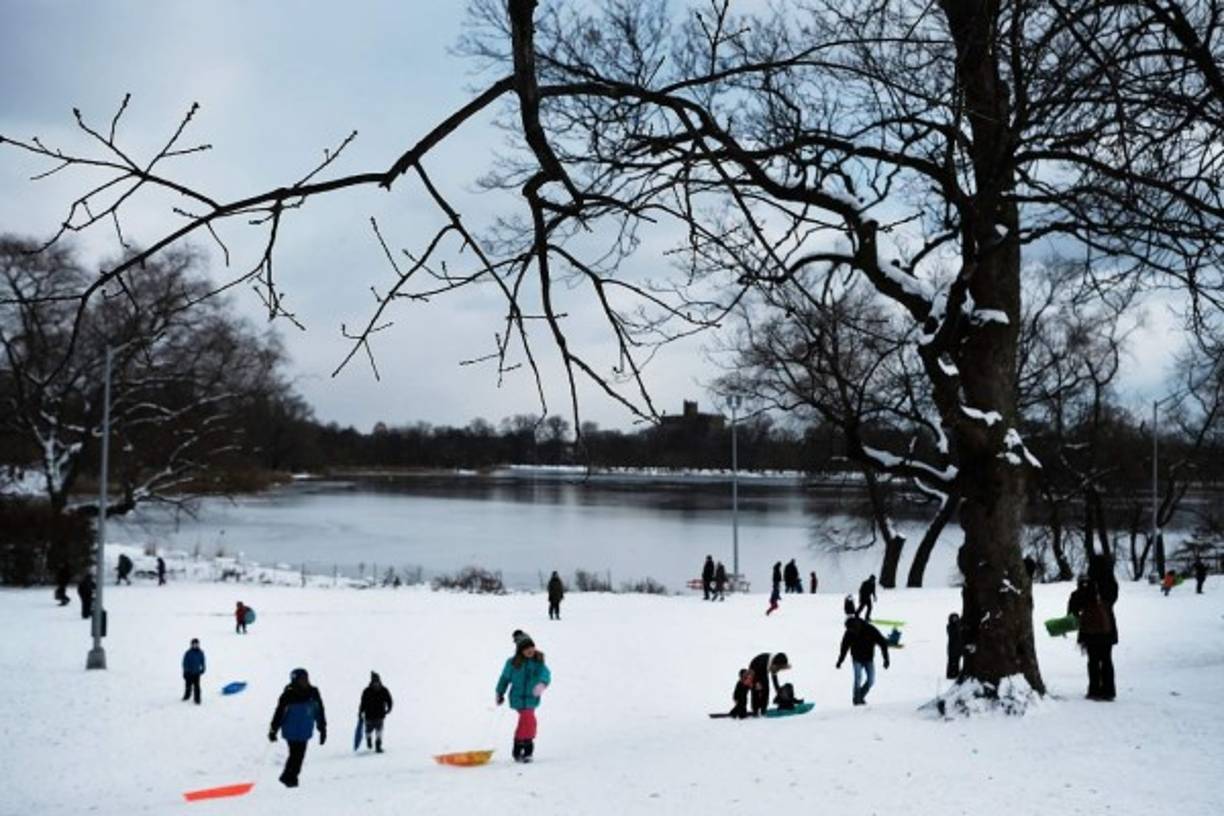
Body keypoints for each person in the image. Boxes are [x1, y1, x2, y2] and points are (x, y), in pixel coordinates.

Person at [496, 632, 551, 763]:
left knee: (529, 721)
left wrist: (542, 684)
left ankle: (520, 745)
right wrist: (500, 693)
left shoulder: (538, 662)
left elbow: (546, 674)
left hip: (532, 698)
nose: (530, 650)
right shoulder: (512, 663)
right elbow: (504, 679)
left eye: (531, 647)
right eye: (526, 648)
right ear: (520, 651)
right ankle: (526, 748)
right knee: (528, 718)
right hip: (518, 698)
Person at [269, 668, 327, 787]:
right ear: (295, 680)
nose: (305, 681)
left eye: (306, 678)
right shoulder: (288, 695)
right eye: (302, 679)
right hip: (291, 731)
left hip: (305, 730)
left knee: (298, 756)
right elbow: (279, 713)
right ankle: (290, 779)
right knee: (296, 755)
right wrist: (273, 730)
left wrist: (322, 728)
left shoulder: (313, 692)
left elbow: (319, 711)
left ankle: (288, 777)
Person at [1071, 556, 1119, 700]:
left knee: (1093, 660)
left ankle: (1094, 690)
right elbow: (1112, 600)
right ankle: (1108, 690)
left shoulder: (1089, 584)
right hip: (1107, 626)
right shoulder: (1111, 583)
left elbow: (1077, 602)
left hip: (1090, 628)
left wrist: (1081, 586)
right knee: (1107, 659)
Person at [836, 616, 890, 705]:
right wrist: (840, 661)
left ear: (857, 626)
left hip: (868, 659)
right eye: (849, 630)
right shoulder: (849, 632)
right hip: (856, 659)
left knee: (871, 681)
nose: (851, 632)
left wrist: (886, 659)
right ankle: (857, 700)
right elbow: (844, 647)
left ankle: (859, 696)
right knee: (858, 679)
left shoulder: (870, 629)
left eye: (852, 630)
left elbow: (882, 643)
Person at [359, 671, 393, 752]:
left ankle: (378, 746)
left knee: (379, 731)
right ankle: (369, 740)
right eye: (374, 682)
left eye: (377, 681)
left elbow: (389, 700)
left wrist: (389, 708)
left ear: (379, 681)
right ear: (372, 681)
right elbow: (362, 703)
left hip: (380, 715)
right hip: (369, 716)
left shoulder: (384, 690)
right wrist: (360, 712)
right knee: (368, 731)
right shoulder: (366, 691)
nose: (376, 684)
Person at [182, 638, 205, 704]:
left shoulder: (200, 652)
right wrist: (185, 671)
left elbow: (202, 661)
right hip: (189, 673)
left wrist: (203, 668)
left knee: (197, 686)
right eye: (194, 644)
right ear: (191, 645)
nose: (195, 645)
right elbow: (185, 662)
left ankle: (197, 699)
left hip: (197, 673)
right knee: (188, 686)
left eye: (196, 644)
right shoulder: (188, 653)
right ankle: (187, 696)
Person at [945, 613, 962, 680]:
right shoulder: (950, 626)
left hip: (958, 647)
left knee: (957, 661)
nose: (955, 619)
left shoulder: (959, 625)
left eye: (956, 618)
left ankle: (956, 673)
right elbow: (952, 634)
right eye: (953, 618)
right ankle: (950, 675)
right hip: (952, 647)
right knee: (951, 661)